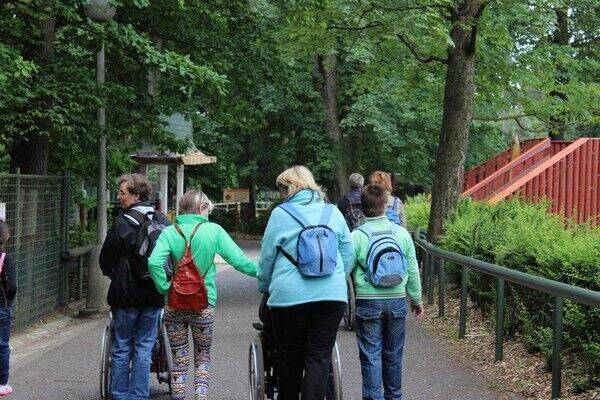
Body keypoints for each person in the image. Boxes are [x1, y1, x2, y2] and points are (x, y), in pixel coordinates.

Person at [148, 189, 258, 400]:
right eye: (208, 209)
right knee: (202, 357)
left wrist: (164, 287)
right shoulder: (214, 231)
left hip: (174, 303)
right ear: (200, 207)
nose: (209, 214)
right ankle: (201, 396)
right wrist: (262, 273)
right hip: (203, 304)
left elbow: (153, 262)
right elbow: (239, 261)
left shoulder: (169, 232)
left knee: (179, 361)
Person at [258, 165, 354, 400]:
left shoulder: (280, 214)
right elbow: (349, 251)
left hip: (289, 298)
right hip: (331, 298)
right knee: (319, 358)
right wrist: (337, 279)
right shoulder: (332, 212)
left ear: (289, 188)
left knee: (289, 358)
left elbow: (267, 257)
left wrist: (265, 286)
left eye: (282, 188)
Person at [99, 173, 169, 400]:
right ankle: (139, 395)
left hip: (125, 293)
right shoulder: (162, 220)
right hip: (154, 291)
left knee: (122, 345)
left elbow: (106, 258)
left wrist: (113, 272)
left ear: (136, 195)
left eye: (122, 193)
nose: (119, 196)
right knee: (144, 345)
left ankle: (120, 394)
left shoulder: (122, 223)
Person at [351, 183, 424, 400]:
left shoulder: (357, 236)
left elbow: (346, 268)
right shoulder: (401, 233)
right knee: (393, 355)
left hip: (368, 301)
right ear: (386, 204)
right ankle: (395, 397)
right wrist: (416, 299)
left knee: (370, 356)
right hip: (397, 300)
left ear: (362, 207)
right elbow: (412, 268)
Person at [0, 221, 16, 397]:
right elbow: (12, 287)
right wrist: (9, 300)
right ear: (5, 237)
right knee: (2, 345)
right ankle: (2, 383)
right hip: (2, 307)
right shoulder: (6, 258)